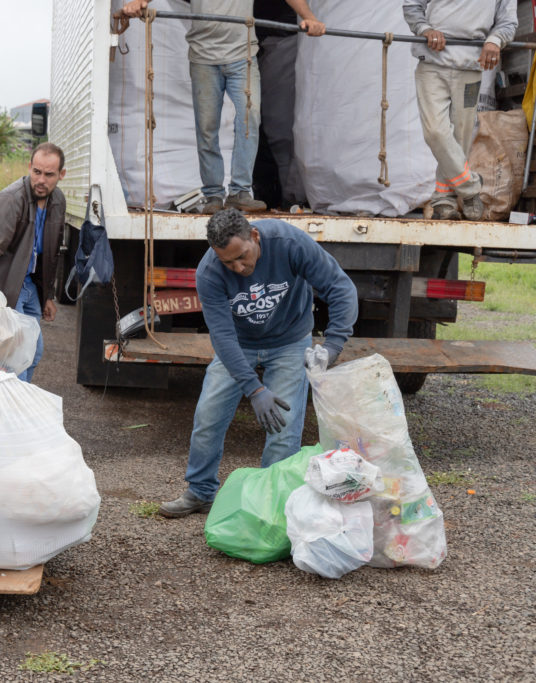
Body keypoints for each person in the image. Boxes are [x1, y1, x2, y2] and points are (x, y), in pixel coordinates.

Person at [159, 208, 357, 517]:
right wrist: (254, 389)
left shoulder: (289, 243)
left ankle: (269, 504)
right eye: (228, 261)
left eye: (242, 256)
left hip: (290, 341)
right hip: (239, 345)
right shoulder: (209, 271)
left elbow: (340, 287)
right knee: (208, 418)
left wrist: (332, 347)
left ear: (254, 236)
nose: (238, 267)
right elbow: (222, 337)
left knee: (283, 430)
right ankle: (201, 491)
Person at [121, 0, 324, 215]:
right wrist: (138, 2)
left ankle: (240, 192)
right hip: (203, 57)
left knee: (249, 118)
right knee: (207, 127)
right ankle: (214, 194)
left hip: (242, 56)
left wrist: (309, 16)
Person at [403, 0, 517, 221]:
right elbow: (412, 5)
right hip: (432, 64)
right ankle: (470, 186)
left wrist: (495, 41)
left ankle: (443, 200)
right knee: (435, 132)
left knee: (460, 137)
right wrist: (425, 29)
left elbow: (508, 22)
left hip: (470, 67)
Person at [0, 142, 66, 383]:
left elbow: (51, 254)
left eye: (49, 174)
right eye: (37, 172)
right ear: (29, 167)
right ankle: (10, 410)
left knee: (33, 353)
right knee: (14, 356)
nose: (41, 180)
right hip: (5, 286)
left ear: (61, 175)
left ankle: (14, 401)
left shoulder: (58, 201)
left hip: (30, 286)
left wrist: (48, 295)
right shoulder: (11, 200)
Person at [252, 0, 323, 209]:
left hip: (280, 38)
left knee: (280, 129)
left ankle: (291, 197)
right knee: (247, 124)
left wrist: (308, 16)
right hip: (245, 40)